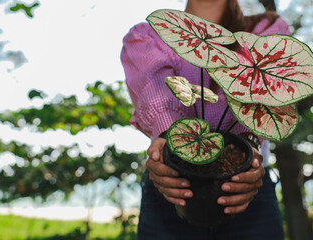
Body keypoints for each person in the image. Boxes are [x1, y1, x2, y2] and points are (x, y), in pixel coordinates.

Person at [121, 0, 291, 239]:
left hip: (248, 183)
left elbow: (261, 96)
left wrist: (249, 148)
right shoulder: (150, 35)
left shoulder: (265, 28)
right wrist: (172, 141)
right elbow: (156, 86)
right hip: (171, 185)